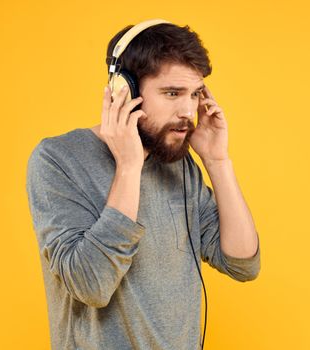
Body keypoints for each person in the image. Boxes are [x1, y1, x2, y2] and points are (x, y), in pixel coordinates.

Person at [26, 21, 261, 350]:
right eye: (172, 93)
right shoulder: (58, 160)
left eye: (194, 94)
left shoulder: (177, 163)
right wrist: (129, 166)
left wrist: (218, 162)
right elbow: (91, 285)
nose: (188, 111)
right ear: (125, 90)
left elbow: (242, 263)